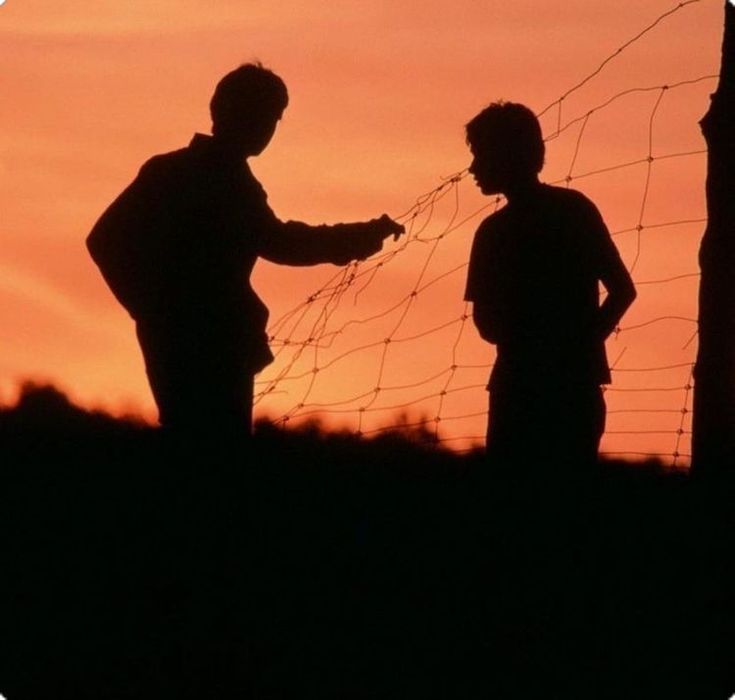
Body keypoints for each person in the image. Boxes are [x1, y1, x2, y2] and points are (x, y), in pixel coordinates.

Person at [87, 63, 404, 440]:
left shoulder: (177, 171)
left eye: (275, 119)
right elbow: (280, 242)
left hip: (190, 340)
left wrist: (152, 312)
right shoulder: (222, 181)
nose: (268, 128)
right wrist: (361, 236)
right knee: (214, 448)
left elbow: (103, 239)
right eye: (266, 116)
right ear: (229, 111)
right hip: (213, 343)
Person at [464, 101, 636, 469]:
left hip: (518, 387)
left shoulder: (493, 232)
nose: (473, 168)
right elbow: (623, 290)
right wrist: (582, 344)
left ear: (506, 154)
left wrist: (540, 342)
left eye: (481, 154)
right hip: (571, 386)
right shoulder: (574, 210)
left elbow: (485, 323)